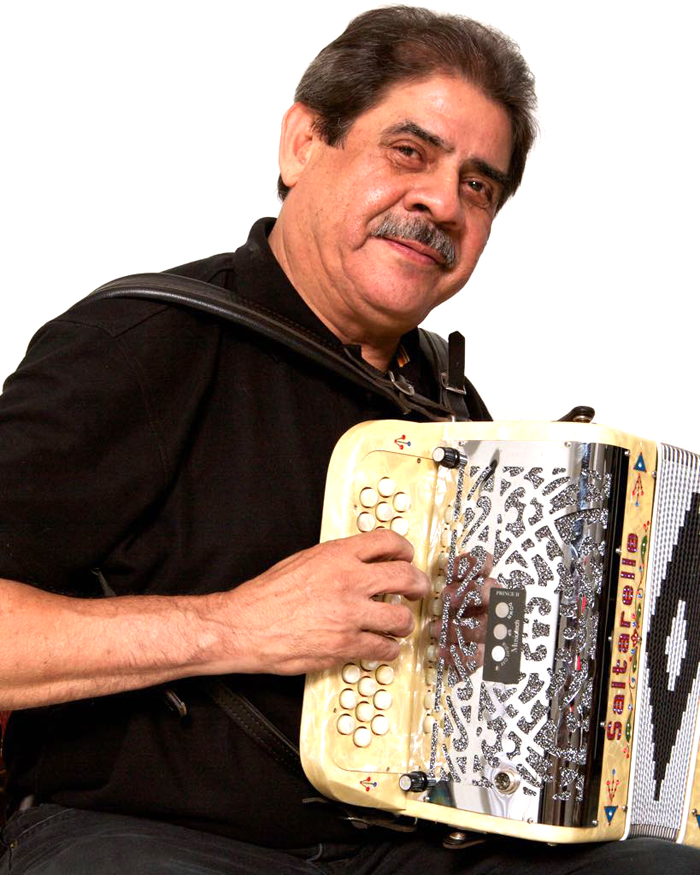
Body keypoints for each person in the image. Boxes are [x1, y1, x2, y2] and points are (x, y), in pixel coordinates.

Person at [0, 6, 697, 874]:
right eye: (408, 151)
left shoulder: (449, 404)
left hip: (405, 848)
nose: (443, 202)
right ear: (303, 145)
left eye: (479, 186)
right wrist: (234, 626)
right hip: (148, 836)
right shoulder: (140, 343)